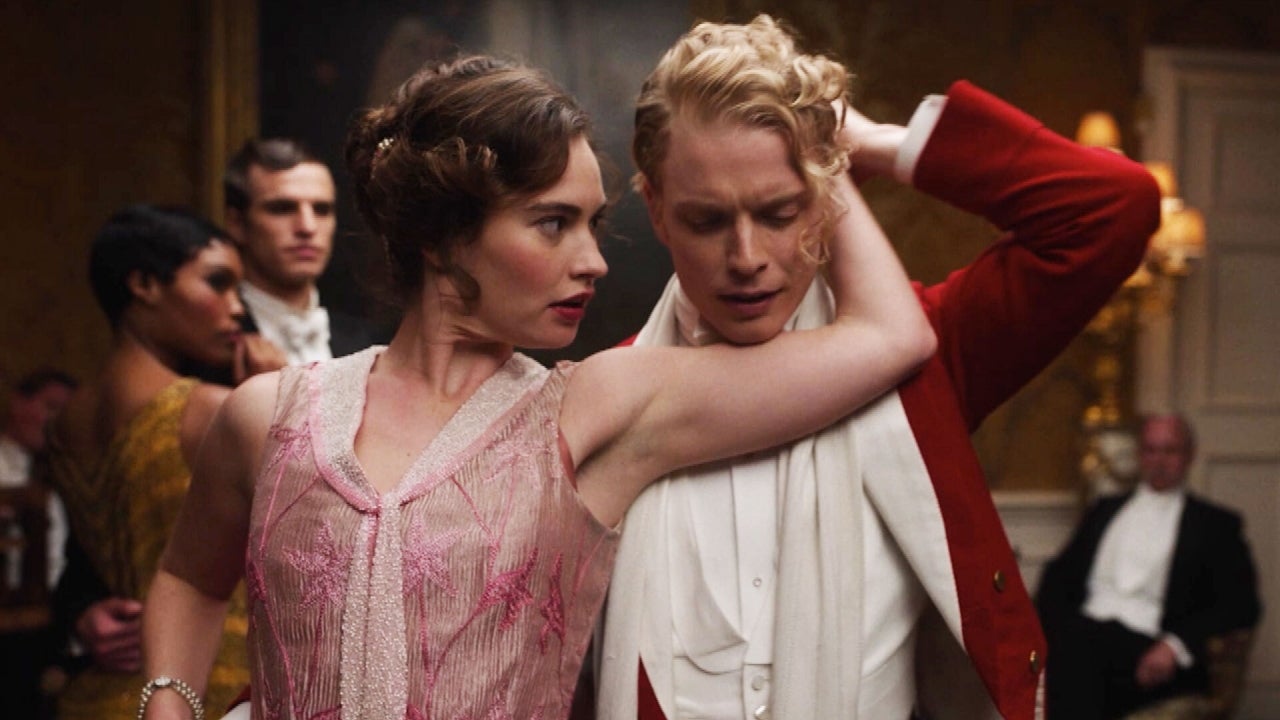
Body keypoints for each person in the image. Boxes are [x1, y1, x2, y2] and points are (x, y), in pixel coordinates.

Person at [138, 53, 935, 720]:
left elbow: (889, 337)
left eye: (594, 223)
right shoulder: (268, 417)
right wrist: (167, 704)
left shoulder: (593, 410)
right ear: (443, 235)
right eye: (555, 223)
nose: (594, 261)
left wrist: (822, 150)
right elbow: (187, 579)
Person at [593, 15, 1162, 720]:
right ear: (656, 210)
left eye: (779, 213)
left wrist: (875, 143)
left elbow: (1113, 210)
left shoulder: (924, 356)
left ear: (824, 196)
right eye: (707, 221)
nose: (746, 258)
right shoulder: (612, 397)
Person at [43, 205, 279, 720]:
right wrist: (282, 396)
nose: (236, 309)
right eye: (217, 283)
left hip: (99, 695)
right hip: (204, 687)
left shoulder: (64, 424)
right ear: (144, 285)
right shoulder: (211, 410)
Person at [1036, 414, 1262, 719]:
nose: (1159, 461)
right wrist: (1051, 632)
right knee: (1074, 650)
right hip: (1082, 639)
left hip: (1149, 651)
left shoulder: (1215, 525)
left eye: (1170, 450)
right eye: (1151, 450)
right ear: (1140, 455)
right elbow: (1058, 578)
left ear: (1189, 456)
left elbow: (1242, 604)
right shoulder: (1104, 510)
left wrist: (1175, 646)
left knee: (1076, 662)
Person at [223, 138, 379, 364]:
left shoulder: (371, 343)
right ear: (236, 223)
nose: (307, 227)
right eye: (282, 209)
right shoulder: (209, 340)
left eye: (322, 210)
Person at [0, 367, 76, 720]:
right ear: (19, 403)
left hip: (46, 632)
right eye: (51, 407)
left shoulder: (62, 476)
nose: (55, 421)